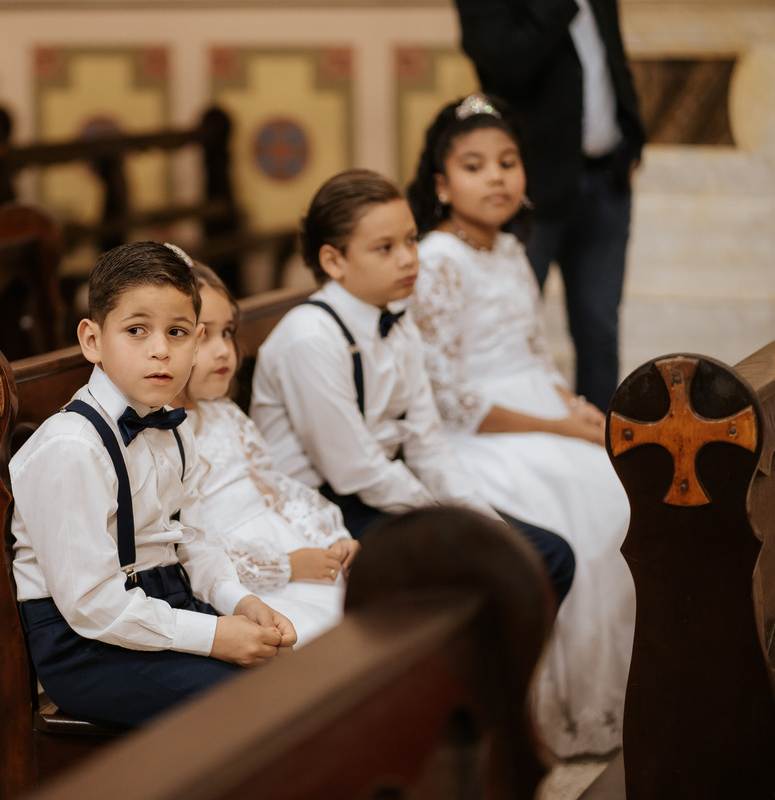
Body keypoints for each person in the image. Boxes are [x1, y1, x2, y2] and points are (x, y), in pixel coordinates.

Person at [405, 94, 633, 757]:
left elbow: (533, 350)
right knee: (586, 514)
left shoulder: (509, 248)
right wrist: (556, 428)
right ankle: (560, 708)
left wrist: (574, 406)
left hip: (536, 407)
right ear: (443, 185)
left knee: (623, 493)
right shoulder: (439, 260)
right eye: (475, 166)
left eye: (508, 161)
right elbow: (447, 395)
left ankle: (629, 686)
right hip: (481, 434)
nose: (498, 177)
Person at [250, 168, 575, 605]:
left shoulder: (398, 323)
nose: (407, 258)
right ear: (334, 261)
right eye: (385, 248)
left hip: (385, 491)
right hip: (323, 508)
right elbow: (354, 468)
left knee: (548, 555)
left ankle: (496, 671)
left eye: (409, 240)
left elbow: (428, 444)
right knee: (488, 578)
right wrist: (441, 517)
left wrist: (483, 517)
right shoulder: (311, 338)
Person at [10, 241, 296, 729]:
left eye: (178, 332)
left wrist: (238, 602)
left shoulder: (175, 427)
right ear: (92, 339)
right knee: (250, 711)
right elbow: (91, 604)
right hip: (86, 645)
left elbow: (194, 542)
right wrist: (213, 636)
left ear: (198, 338)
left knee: (296, 680)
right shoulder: (71, 448)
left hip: (162, 603)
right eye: (136, 330)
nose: (161, 349)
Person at [455, 0, 645, 412]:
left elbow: (611, 56)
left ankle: (604, 452)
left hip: (606, 181)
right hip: (531, 190)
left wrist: (633, 134)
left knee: (600, 331)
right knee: (514, 326)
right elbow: (506, 66)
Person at [172, 255, 358, 646]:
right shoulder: (163, 435)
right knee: (312, 637)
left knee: (364, 615)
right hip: (241, 574)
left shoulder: (224, 415)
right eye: (205, 335)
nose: (224, 350)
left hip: (286, 541)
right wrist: (284, 567)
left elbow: (275, 490)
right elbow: (189, 542)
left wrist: (329, 538)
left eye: (227, 333)